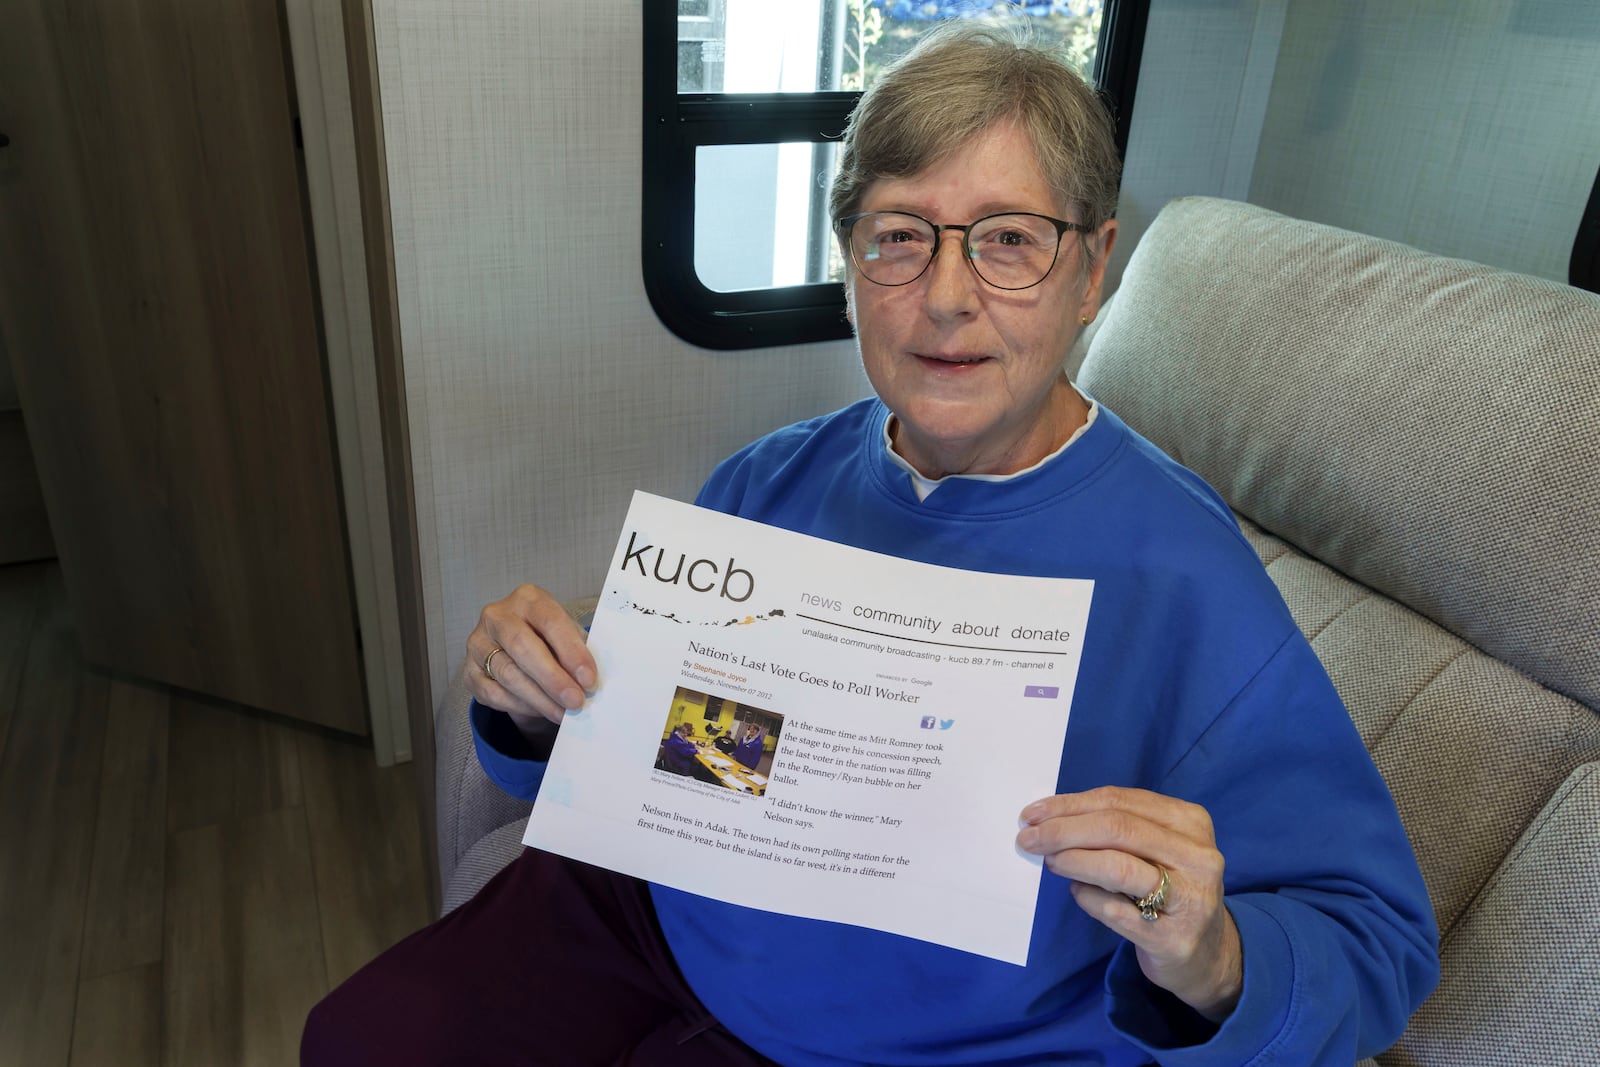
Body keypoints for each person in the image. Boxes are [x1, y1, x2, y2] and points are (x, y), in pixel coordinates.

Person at [303, 23, 1437, 1066]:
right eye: (899, 237)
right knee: (352, 1039)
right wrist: (534, 707)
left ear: (1091, 269)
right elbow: (695, 754)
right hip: (649, 916)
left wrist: (1214, 953)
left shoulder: (1188, 580)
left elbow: (1378, 939)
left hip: (908, 1042)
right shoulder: (772, 476)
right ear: (851, 265)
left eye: (1007, 241)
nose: (944, 295)